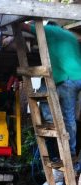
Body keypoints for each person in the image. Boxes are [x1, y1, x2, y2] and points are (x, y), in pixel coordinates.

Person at [22, 21, 81, 172]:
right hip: (77, 79)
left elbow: (24, 26)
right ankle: (71, 153)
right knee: (69, 117)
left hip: (65, 79)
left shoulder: (47, 30)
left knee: (52, 116)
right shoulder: (71, 36)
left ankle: (57, 151)